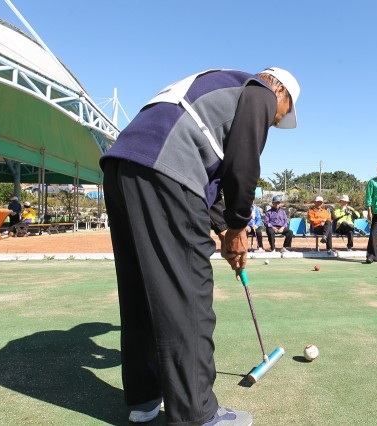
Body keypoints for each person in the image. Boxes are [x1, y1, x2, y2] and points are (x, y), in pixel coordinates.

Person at [100, 67, 300, 425]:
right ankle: (197, 414)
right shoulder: (260, 91)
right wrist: (239, 226)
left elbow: (218, 170)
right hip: (168, 168)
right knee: (188, 291)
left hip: (122, 166)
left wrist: (224, 227)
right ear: (281, 92)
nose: (274, 120)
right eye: (280, 115)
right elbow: (243, 164)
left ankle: (145, 399)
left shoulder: (215, 86)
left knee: (142, 289)